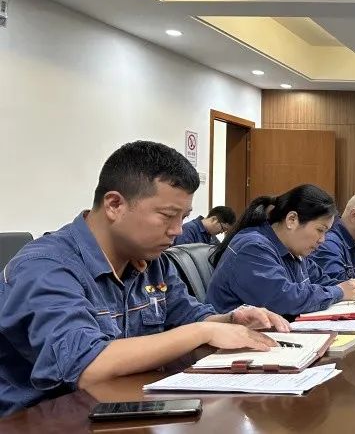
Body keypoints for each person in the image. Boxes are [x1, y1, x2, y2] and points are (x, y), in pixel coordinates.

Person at [0, 141, 288, 416]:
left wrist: (229, 321)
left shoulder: (150, 260)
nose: (177, 230)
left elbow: (187, 316)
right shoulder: (45, 267)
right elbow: (87, 367)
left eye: (184, 217)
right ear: (114, 204)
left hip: (127, 409)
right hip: (43, 420)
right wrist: (203, 332)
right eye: (167, 216)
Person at [206, 184, 355, 318]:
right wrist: (339, 292)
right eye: (320, 230)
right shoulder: (253, 247)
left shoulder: (293, 251)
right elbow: (285, 299)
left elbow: (323, 280)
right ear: (292, 220)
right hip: (231, 345)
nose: (322, 240)